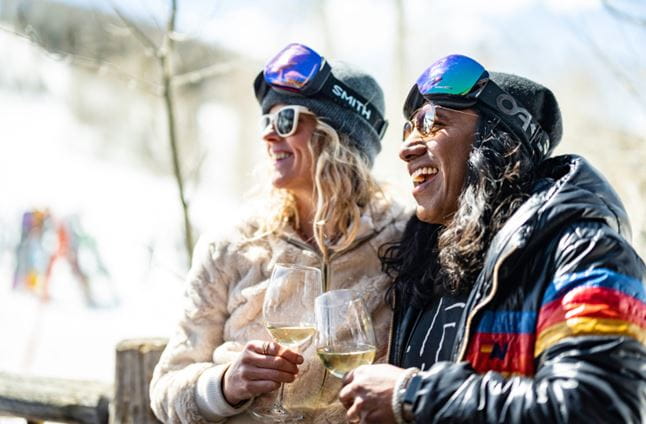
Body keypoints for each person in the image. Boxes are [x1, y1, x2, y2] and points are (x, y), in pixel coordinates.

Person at [338, 54, 646, 423]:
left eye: (432, 122)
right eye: (409, 129)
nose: (406, 149)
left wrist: (413, 394)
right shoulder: (427, 257)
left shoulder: (584, 250)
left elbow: (597, 406)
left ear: (498, 144)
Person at [149, 43, 407, 424]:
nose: (269, 136)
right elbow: (166, 386)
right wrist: (224, 385)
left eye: (285, 119)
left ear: (338, 136)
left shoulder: (405, 241)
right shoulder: (231, 244)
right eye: (266, 121)